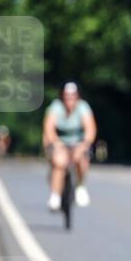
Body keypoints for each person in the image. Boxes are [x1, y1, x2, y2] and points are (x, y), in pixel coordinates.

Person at [42, 82, 96, 210]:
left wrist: (84, 144)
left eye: (72, 96)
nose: (69, 100)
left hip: (78, 142)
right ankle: (55, 196)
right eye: (66, 96)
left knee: (82, 158)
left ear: (77, 97)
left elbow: (90, 129)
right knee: (59, 163)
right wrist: (55, 142)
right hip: (59, 141)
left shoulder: (83, 107)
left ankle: (80, 186)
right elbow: (49, 128)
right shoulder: (56, 107)